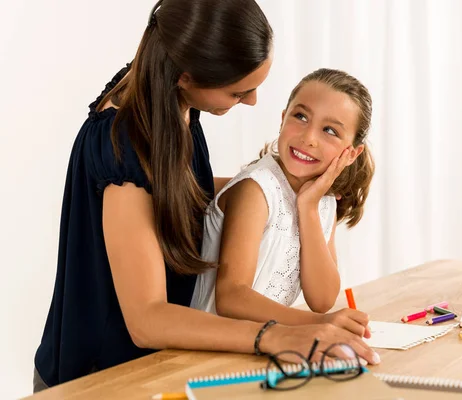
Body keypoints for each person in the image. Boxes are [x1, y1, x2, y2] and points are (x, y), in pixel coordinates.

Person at [33, 0, 378, 392]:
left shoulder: (167, 92)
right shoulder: (123, 143)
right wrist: (275, 334)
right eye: (237, 92)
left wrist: (273, 192)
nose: (251, 101)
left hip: (164, 367)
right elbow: (147, 320)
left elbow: (171, 185)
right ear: (187, 75)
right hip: (102, 379)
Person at [191, 68, 376, 341]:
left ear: (351, 153)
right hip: (207, 349)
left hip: (263, 346)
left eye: (329, 130)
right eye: (300, 116)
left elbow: (322, 298)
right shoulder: (256, 190)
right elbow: (231, 298)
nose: (308, 137)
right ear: (282, 118)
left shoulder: (321, 201)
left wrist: (308, 209)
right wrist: (319, 324)